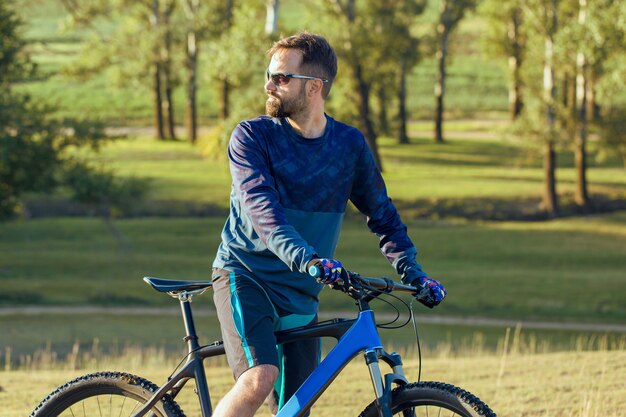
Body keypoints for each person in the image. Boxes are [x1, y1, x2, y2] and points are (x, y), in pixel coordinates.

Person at [211, 32, 446, 417]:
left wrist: (416, 275)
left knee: (295, 409)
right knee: (259, 378)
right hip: (246, 275)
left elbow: (384, 218)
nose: (269, 85)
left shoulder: (348, 146)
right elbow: (264, 215)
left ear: (314, 87)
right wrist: (309, 260)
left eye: (282, 78)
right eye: (269, 75)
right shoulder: (252, 137)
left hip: (301, 290)